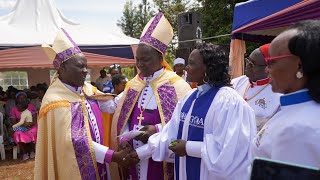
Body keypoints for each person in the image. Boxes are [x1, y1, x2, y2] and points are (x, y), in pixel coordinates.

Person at [139, 43, 256, 180]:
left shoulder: (229, 103)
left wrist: (189, 147)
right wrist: (138, 154)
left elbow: (231, 153)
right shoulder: (190, 97)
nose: (187, 68)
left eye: (192, 64)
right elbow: (169, 136)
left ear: (207, 69)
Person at [35, 28, 128, 179]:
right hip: (75, 167)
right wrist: (113, 156)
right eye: (80, 66)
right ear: (63, 68)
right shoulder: (55, 101)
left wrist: (134, 89)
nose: (85, 71)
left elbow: (111, 106)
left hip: (100, 162)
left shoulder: (87, 89)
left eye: (86, 66)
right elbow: (74, 142)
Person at [110, 12, 192, 180]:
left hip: (158, 159)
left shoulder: (178, 86)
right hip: (131, 157)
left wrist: (143, 148)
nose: (140, 65)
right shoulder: (134, 84)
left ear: (160, 57)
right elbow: (124, 118)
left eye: (145, 60)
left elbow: (178, 128)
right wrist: (124, 142)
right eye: (137, 60)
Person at [252, 20, 320, 168]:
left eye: (271, 62)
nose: (266, 70)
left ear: (299, 65)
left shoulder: (297, 129)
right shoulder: (302, 112)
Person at [232, 44, 281, 131]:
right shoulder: (235, 83)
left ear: (268, 68)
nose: (247, 66)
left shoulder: (278, 95)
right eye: (247, 61)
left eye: (252, 64)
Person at [10, 91, 37, 160]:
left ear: (26, 99)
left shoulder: (31, 107)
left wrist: (29, 125)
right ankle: (24, 152)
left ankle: (32, 151)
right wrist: (22, 125)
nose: (22, 100)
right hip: (20, 126)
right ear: (17, 100)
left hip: (31, 125)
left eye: (24, 98)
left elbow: (34, 119)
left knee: (32, 132)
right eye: (20, 98)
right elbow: (13, 122)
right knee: (18, 133)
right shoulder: (14, 109)